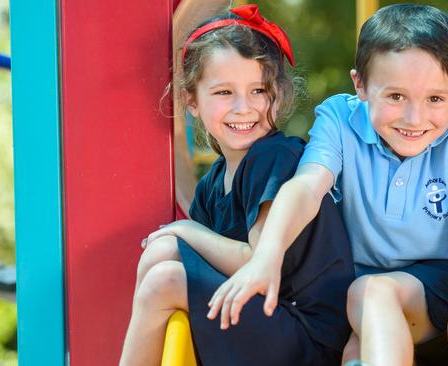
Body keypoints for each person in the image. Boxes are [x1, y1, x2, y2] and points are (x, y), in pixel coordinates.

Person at [207, 4, 448, 366]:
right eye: (396, 97)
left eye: (435, 99)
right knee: (354, 346)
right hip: (353, 284)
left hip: (440, 282)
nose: (415, 118)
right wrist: (267, 256)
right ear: (361, 85)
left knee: (373, 293)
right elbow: (305, 187)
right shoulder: (339, 119)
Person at [119, 5, 354, 365]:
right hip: (262, 318)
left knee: (165, 278)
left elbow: (254, 259)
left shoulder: (277, 156)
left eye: (258, 90)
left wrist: (185, 229)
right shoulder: (212, 185)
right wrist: (181, 235)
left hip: (308, 336)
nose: (244, 108)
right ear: (191, 101)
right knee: (160, 254)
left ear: (278, 92)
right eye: (224, 92)